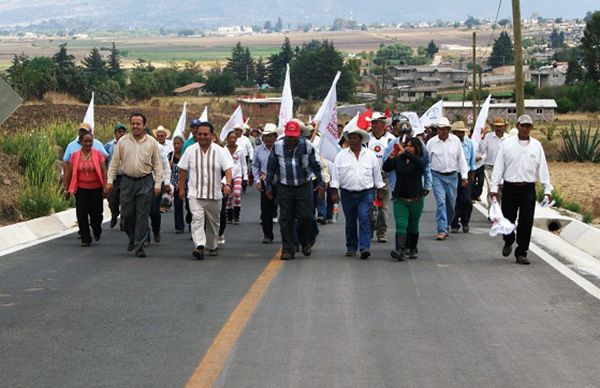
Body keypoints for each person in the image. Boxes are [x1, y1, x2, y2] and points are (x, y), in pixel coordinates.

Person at [490, 114, 553, 265]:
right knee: (508, 219)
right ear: (517, 126)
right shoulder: (507, 144)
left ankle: (522, 252)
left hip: (528, 188)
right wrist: (493, 186)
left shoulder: (536, 146)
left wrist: (547, 189)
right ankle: (509, 239)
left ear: (531, 128)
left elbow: (542, 168)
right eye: (522, 125)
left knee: (526, 221)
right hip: (510, 187)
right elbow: (499, 166)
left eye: (528, 126)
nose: (525, 129)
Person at [105, 113, 163, 258]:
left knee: (142, 215)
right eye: (133, 124)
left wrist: (158, 184)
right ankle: (132, 237)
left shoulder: (151, 142)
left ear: (144, 125)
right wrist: (109, 181)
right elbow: (114, 162)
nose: (135, 126)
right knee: (126, 215)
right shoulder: (123, 141)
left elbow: (157, 164)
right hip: (127, 182)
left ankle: (139, 245)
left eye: (138, 124)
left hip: (145, 181)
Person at [265, 120, 325, 260]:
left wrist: (321, 183)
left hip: (303, 185)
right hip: (285, 186)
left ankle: (305, 241)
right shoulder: (278, 146)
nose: (292, 139)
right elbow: (271, 167)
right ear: (286, 134)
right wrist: (268, 186)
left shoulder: (306, 145)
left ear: (299, 135)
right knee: (286, 218)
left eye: (294, 136)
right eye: (289, 136)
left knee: (305, 216)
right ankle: (288, 249)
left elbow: (316, 164)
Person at [177, 121, 233, 260]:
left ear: (212, 135)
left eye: (205, 134)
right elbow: (183, 169)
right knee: (197, 219)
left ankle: (212, 245)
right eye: (199, 134)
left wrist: (228, 184)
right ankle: (199, 246)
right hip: (195, 194)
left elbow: (228, 169)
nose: (202, 137)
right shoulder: (190, 150)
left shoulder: (220, 151)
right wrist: (181, 186)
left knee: (214, 223)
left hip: (214, 194)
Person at [330, 125, 384, 259]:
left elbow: (376, 174)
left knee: (364, 217)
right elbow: (335, 175)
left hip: (366, 193)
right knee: (350, 221)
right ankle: (351, 246)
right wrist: (334, 192)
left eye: (355, 138)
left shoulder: (370, 155)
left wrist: (380, 191)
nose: (353, 141)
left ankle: (364, 247)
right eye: (351, 138)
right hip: (347, 193)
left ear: (361, 140)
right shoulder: (341, 156)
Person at [383, 137, 426, 260]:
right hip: (400, 198)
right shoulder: (399, 159)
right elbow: (386, 168)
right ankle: (399, 250)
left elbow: (421, 164)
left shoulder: (419, 161)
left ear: (417, 148)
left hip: (416, 199)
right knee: (401, 224)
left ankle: (412, 248)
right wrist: (391, 156)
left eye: (410, 146)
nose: (407, 147)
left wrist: (405, 152)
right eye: (406, 145)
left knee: (413, 225)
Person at [427, 117, 469, 241]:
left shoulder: (455, 141)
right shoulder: (431, 143)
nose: (442, 131)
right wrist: (427, 179)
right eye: (440, 129)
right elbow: (426, 161)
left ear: (449, 130)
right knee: (441, 202)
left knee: (451, 203)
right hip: (437, 175)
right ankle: (441, 229)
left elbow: (461, 159)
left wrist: (464, 176)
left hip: (452, 176)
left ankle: (447, 224)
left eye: (445, 129)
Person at [64, 132, 107, 247]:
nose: (88, 144)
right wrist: (66, 188)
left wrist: (105, 185)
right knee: (82, 213)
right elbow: (70, 172)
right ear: (81, 142)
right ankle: (85, 238)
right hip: (81, 189)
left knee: (96, 214)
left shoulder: (98, 154)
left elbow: (103, 171)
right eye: (85, 141)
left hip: (96, 188)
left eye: (90, 142)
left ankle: (97, 229)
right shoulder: (75, 155)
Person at [367, 112, 395, 242]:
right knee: (369, 207)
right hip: (368, 177)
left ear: (383, 125)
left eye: (376, 122)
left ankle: (381, 232)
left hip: (385, 177)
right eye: (373, 122)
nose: (374, 125)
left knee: (383, 208)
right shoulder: (366, 139)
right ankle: (369, 229)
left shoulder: (391, 139)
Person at [252, 123, 278, 243]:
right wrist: (257, 180)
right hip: (265, 181)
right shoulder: (258, 150)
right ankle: (267, 235)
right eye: (266, 136)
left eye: (270, 136)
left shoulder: (280, 149)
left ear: (275, 136)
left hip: (280, 182)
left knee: (285, 208)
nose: (268, 138)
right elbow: (255, 166)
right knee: (266, 209)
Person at [450, 121, 476, 233]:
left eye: (462, 132)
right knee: (454, 200)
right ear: (454, 133)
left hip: (466, 174)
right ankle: (454, 223)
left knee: (467, 200)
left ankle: (465, 222)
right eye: (458, 132)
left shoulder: (469, 143)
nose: (460, 134)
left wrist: (472, 175)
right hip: (453, 174)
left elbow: (472, 161)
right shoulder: (451, 144)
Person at [104, 123, 128, 229]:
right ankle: (114, 213)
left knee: (125, 199)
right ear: (115, 134)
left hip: (126, 176)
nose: (121, 134)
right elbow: (104, 160)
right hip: (113, 177)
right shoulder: (108, 146)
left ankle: (124, 221)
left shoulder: (130, 145)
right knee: (112, 199)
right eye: (119, 132)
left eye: (123, 132)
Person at [480, 116, 507, 206]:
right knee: (492, 189)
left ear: (504, 127)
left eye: (500, 126)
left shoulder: (508, 139)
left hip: (504, 169)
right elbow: (482, 150)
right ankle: (492, 212)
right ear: (493, 127)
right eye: (496, 126)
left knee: (502, 189)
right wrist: (482, 138)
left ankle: (501, 211)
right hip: (490, 166)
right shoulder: (488, 137)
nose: (498, 128)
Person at [224, 131, 248, 224]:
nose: (232, 140)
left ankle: (236, 215)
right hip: (227, 176)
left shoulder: (240, 150)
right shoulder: (224, 150)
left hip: (238, 175)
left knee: (237, 193)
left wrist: (245, 177)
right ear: (227, 139)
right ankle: (229, 216)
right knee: (228, 196)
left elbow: (244, 164)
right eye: (231, 138)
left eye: (234, 138)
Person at [169, 136, 185, 233]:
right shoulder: (170, 156)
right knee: (178, 205)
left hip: (186, 182)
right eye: (175, 144)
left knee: (189, 206)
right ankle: (179, 226)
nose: (176, 146)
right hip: (174, 184)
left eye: (179, 144)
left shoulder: (186, 155)